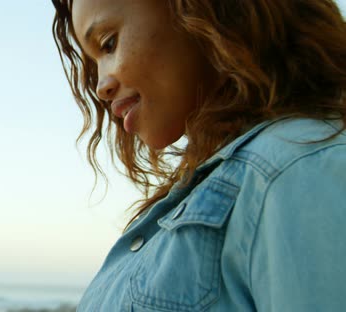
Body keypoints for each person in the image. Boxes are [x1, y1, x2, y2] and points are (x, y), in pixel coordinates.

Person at [51, 0, 346, 311]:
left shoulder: (294, 168)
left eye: (109, 43)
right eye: (94, 61)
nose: (101, 86)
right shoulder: (228, 184)